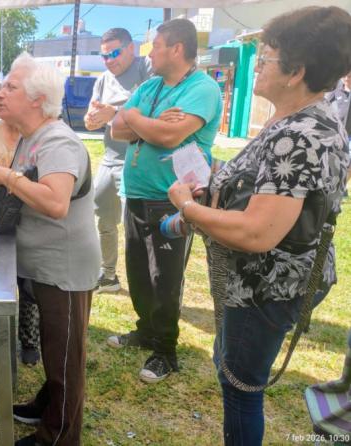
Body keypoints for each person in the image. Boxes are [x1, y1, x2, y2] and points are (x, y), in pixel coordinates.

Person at [168, 7, 351, 445]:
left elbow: (258, 232)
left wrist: (187, 209)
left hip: (266, 286)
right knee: (234, 371)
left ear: (296, 71)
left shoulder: (300, 133)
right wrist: (216, 185)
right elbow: (265, 191)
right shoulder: (296, 121)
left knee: (241, 387)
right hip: (263, 282)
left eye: (266, 59)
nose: (257, 68)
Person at [0, 52, 100, 446]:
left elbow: (55, 202)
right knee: (55, 347)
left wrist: (8, 176)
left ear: (37, 99)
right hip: (45, 265)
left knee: (65, 357)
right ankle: (49, 404)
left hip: (65, 270)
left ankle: (58, 435)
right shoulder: (33, 136)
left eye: (10, 87)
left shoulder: (56, 141)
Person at [109, 18, 222, 383]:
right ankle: (146, 331)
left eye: (155, 45)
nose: (150, 52)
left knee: (165, 277)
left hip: (173, 199)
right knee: (138, 271)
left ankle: (166, 351)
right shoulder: (151, 85)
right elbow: (116, 127)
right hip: (138, 193)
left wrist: (138, 118)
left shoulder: (203, 88)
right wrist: (147, 119)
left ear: (176, 48)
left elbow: (171, 135)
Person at [83, 27, 152, 293]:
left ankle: (145, 283)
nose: (109, 60)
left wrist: (116, 112)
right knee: (101, 213)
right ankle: (108, 275)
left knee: (135, 226)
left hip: (139, 159)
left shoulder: (146, 68)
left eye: (114, 53)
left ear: (131, 48)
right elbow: (91, 120)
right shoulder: (102, 80)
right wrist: (91, 119)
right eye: (104, 56)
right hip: (110, 158)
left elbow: (155, 108)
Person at [0, 120, 41, 365]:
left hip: (30, 217)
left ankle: (29, 341)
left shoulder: (37, 134)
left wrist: (5, 177)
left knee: (28, 281)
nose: (4, 105)